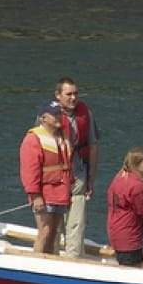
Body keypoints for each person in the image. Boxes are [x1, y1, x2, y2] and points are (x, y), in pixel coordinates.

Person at [53, 77, 100, 259]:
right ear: (58, 95)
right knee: (54, 224)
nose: (73, 98)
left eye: (75, 94)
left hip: (79, 174)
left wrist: (91, 179)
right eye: (68, 94)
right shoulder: (48, 115)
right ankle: (52, 259)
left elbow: (94, 146)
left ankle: (73, 260)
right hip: (55, 177)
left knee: (76, 224)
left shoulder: (85, 113)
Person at [19, 102, 72, 254]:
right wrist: (35, 196)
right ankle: (35, 266)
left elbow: (68, 166)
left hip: (61, 193)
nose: (58, 117)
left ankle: (47, 263)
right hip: (44, 193)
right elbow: (29, 171)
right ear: (43, 118)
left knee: (54, 233)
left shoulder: (62, 137)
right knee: (45, 231)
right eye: (54, 114)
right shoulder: (33, 139)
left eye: (59, 114)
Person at [106, 148, 143, 267]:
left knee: (127, 263)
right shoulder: (138, 186)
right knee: (132, 269)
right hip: (128, 235)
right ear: (136, 164)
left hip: (115, 229)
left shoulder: (120, 177)